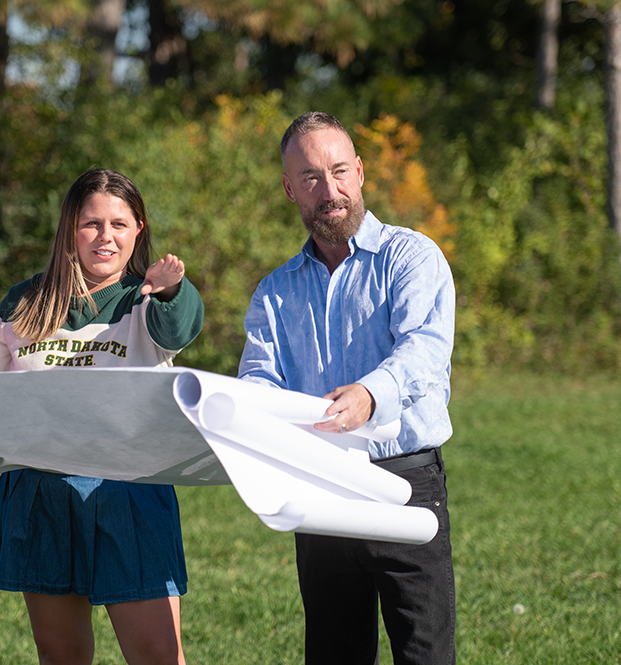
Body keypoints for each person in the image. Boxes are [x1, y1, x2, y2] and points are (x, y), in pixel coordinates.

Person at [238, 111, 456, 664]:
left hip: (404, 480)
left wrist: (370, 393)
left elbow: (425, 349)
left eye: (338, 171)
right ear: (290, 189)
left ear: (359, 172)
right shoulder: (274, 292)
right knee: (334, 654)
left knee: (424, 652)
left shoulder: (412, 257)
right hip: (319, 485)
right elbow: (258, 380)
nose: (329, 190)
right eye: (310, 177)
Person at [0, 168, 204, 665]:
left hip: (130, 491)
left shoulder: (146, 299)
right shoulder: (23, 302)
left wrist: (169, 290)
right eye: (91, 223)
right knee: (61, 656)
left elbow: (180, 327)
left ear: (138, 229)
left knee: (158, 656)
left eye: (119, 224)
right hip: (40, 493)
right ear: (69, 229)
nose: (105, 237)